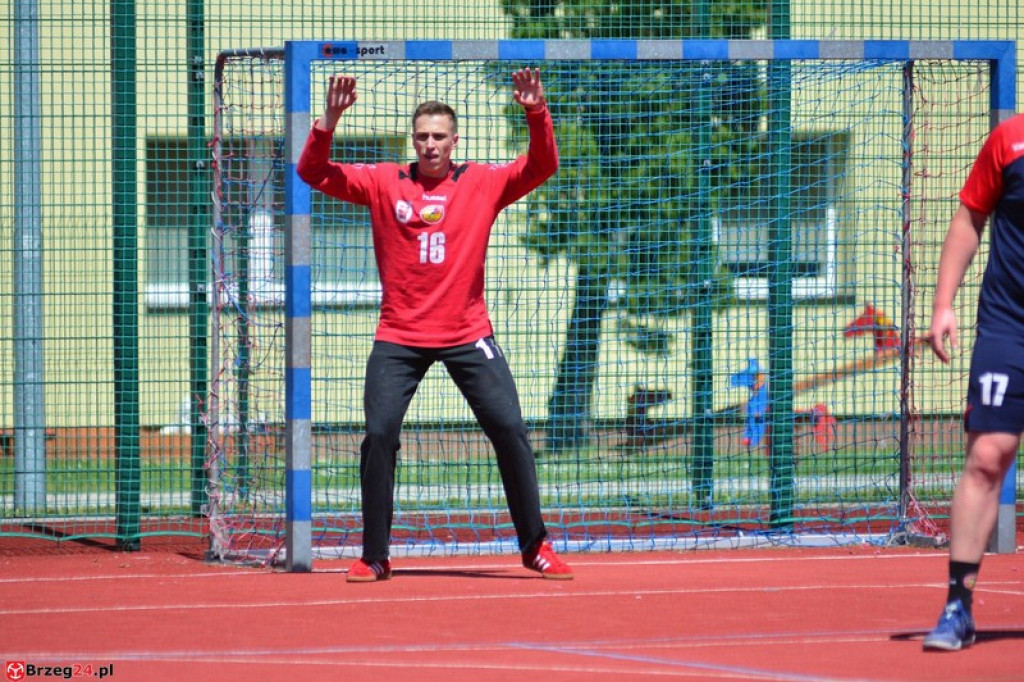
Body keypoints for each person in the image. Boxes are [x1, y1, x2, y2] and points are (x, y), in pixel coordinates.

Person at [296, 68, 573, 582]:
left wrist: (537, 112)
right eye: (422, 136)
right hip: (399, 336)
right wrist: (328, 121)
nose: (429, 145)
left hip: (468, 333)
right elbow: (313, 171)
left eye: (439, 136)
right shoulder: (383, 181)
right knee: (379, 435)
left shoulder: (483, 183)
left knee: (510, 429)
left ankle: (535, 545)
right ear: (413, 140)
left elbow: (542, 164)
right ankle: (375, 555)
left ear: (454, 141)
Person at [924, 112, 1024, 650]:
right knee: (987, 455)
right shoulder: (1011, 140)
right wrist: (944, 305)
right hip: (1009, 327)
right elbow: (969, 218)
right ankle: (957, 608)